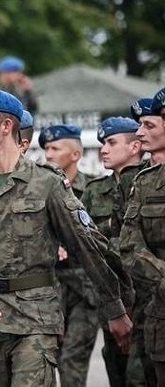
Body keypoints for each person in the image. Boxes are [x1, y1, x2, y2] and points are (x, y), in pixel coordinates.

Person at [0, 89, 132, 387]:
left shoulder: (47, 183)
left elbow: (86, 246)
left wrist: (115, 308)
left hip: (35, 320)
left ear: (6, 127)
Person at [81, 117, 147, 387]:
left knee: (141, 375)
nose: (103, 150)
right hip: (112, 297)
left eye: (111, 142)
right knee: (118, 372)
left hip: (146, 297)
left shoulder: (150, 184)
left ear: (135, 147)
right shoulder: (95, 191)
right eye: (102, 144)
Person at [38, 124, 99, 387]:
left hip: (84, 290)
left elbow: (101, 239)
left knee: (72, 362)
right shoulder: (38, 190)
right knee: (46, 362)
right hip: (49, 289)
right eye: (46, 149)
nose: (48, 155)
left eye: (55, 148)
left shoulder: (94, 190)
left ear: (75, 154)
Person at [121, 90, 165, 386]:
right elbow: (129, 245)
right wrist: (163, 276)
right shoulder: (146, 182)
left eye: (150, 125)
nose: (139, 132)